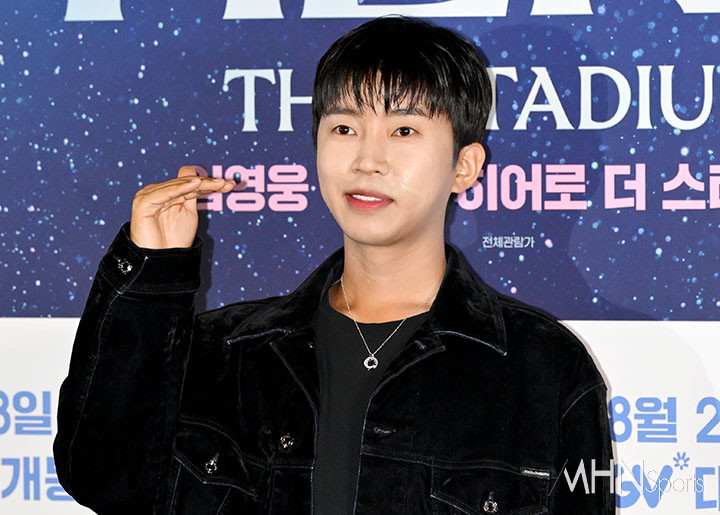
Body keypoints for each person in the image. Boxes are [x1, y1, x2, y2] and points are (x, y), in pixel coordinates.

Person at [53, 15, 615, 514]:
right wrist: (152, 277)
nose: (368, 160)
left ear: (464, 166)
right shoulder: (227, 354)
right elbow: (104, 479)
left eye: (404, 130)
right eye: (344, 128)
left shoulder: (545, 369)